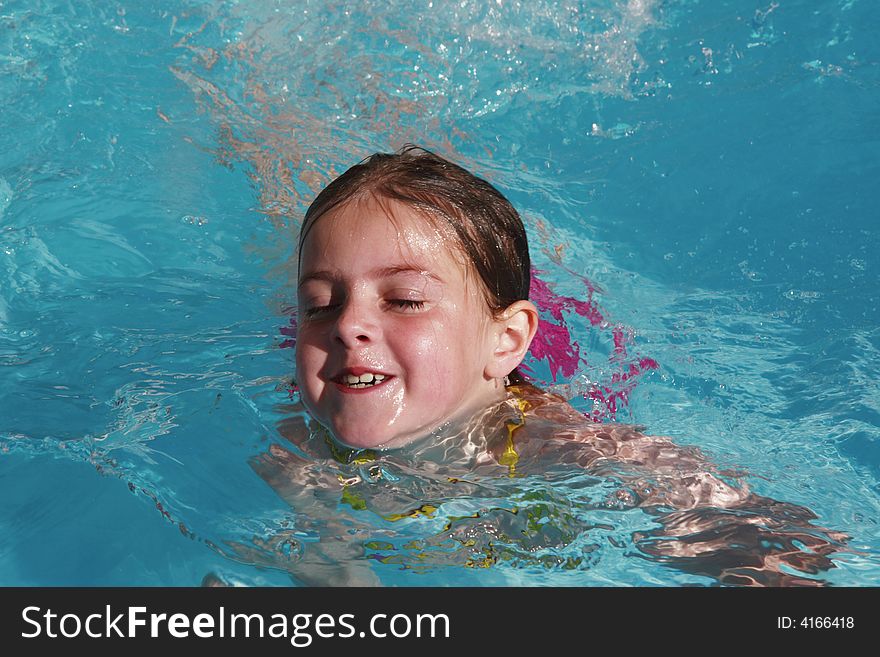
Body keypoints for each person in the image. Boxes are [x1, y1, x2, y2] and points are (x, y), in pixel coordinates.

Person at [244, 145, 846, 586]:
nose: (347, 323)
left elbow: (783, 546)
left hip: (549, 352)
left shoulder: (558, 446)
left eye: (404, 300)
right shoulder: (295, 442)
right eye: (320, 305)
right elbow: (328, 552)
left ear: (505, 342)